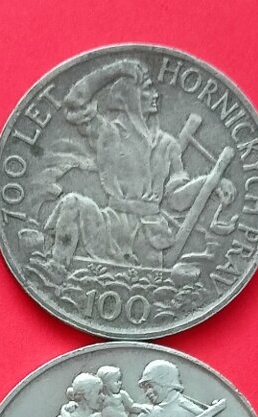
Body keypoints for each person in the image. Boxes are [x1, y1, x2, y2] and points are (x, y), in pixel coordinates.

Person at [40, 58, 234, 278]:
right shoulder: (108, 133)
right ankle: (56, 270)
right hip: (110, 225)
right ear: (129, 97)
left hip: (149, 235)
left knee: (142, 283)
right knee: (72, 203)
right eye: (148, 90)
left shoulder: (168, 144)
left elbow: (176, 201)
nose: (156, 95)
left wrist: (210, 181)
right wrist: (116, 69)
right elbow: (74, 103)